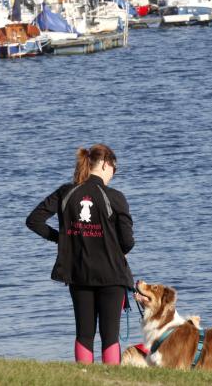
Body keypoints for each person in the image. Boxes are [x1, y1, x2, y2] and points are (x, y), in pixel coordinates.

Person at [26, 144, 134, 365]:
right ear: (106, 164)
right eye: (115, 168)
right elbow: (127, 243)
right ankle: (111, 380)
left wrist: (63, 238)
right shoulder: (115, 197)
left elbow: (34, 220)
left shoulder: (66, 192)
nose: (114, 174)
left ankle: (83, 377)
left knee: (84, 333)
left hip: (78, 273)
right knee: (110, 336)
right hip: (112, 274)